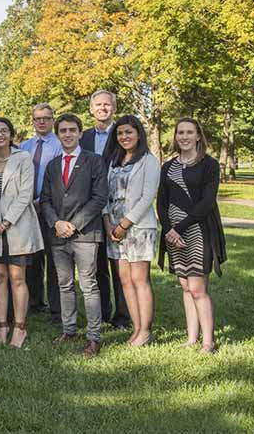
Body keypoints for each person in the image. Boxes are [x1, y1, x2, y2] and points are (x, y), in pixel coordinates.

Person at [41, 113, 108, 358]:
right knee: (64, 284)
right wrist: (56, 223)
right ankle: (69, 330)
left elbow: (99, 198)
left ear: (80, 133)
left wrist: (74, 224)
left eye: (72, 130)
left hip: (86, 233)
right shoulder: (52, 165)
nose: (67, 134)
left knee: (89, 285)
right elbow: (45, 200)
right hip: (58, 234)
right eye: (63, 131)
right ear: (57, 135)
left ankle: (93, 337)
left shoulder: (94, 161)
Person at [157, 118, 226, 354]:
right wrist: (169, 230)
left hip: (198, 232)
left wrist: (180, 228)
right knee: (185, 286)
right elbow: (162, 203)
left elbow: (207, 203)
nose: (184, 136)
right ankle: (191, 338)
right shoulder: (168, 167)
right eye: (180, 132)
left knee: (198, 288)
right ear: (175, 136)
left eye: (189, 132)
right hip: (174, 236)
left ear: (198, 136)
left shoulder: (209, 164)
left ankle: (208, 342)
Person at [0, 118, 42, 349]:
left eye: (4, 130)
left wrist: (6, 221)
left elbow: (26, 194)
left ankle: (20, 327)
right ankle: (3, 325)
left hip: (17, 226)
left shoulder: (23, 158)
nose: (0, 135)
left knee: (17, 277)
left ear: (11, 133)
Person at [101, 115, 160, 347]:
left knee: (139, 279)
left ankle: (145, 330)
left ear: (138, 134)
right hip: (114, 229)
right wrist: (108, 224)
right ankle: (136, 329)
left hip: (137, 227)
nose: (124, 137)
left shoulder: (148, 160)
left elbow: (147, 197)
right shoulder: (114, 160)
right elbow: (105, 194)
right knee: (124, 279)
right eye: (120, 133)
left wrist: (125, 224)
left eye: (129, 132)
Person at [81, 89, 130, 330]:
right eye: (98, 105)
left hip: (118, 210)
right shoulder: (83, 137)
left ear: (113, 108)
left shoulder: (124, 135)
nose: (102, 108)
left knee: (119, 265)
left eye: (107, 105)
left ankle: (122, 316)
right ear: (91, 109)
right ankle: (100, 313)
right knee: (97, 265)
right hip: (91, 210)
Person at [19, 103, 63, 323]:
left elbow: (58, 180)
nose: (42, 122)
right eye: (38, 118)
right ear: (33, 121)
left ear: (53, 120)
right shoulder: (25, 146)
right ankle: (35, 302)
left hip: (51, 208)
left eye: (46, 118)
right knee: (31, 259)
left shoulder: (59, 145)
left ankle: (57, 309)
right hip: (27, 210)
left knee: (54, 260)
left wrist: (40, 202)